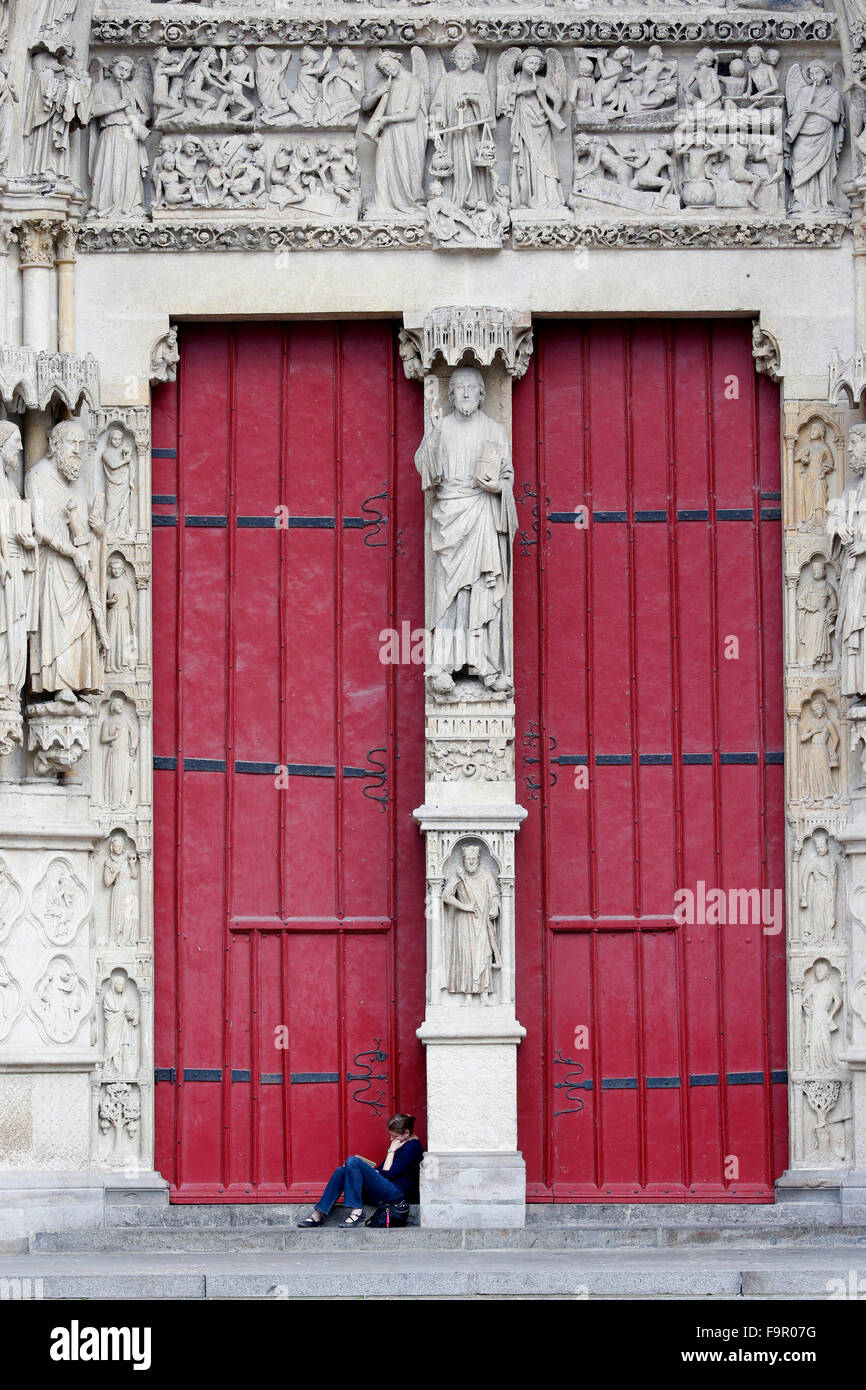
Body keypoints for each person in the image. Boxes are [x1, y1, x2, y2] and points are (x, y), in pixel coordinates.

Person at [298, 1113, 423, 1228]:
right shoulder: (402, 1143)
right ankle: (319, 1213)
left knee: (352, 1161)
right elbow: (381, 1169)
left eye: (394, 1136)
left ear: (407, 1133)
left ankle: (356, 1210)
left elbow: (388, 1175)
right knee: (342, 1170)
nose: (391, 1139)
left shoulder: (412, 1147)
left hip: (396, 1196)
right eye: (391, 1135)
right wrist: (366, 1172)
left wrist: (391, 1150)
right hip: (385, 1190)